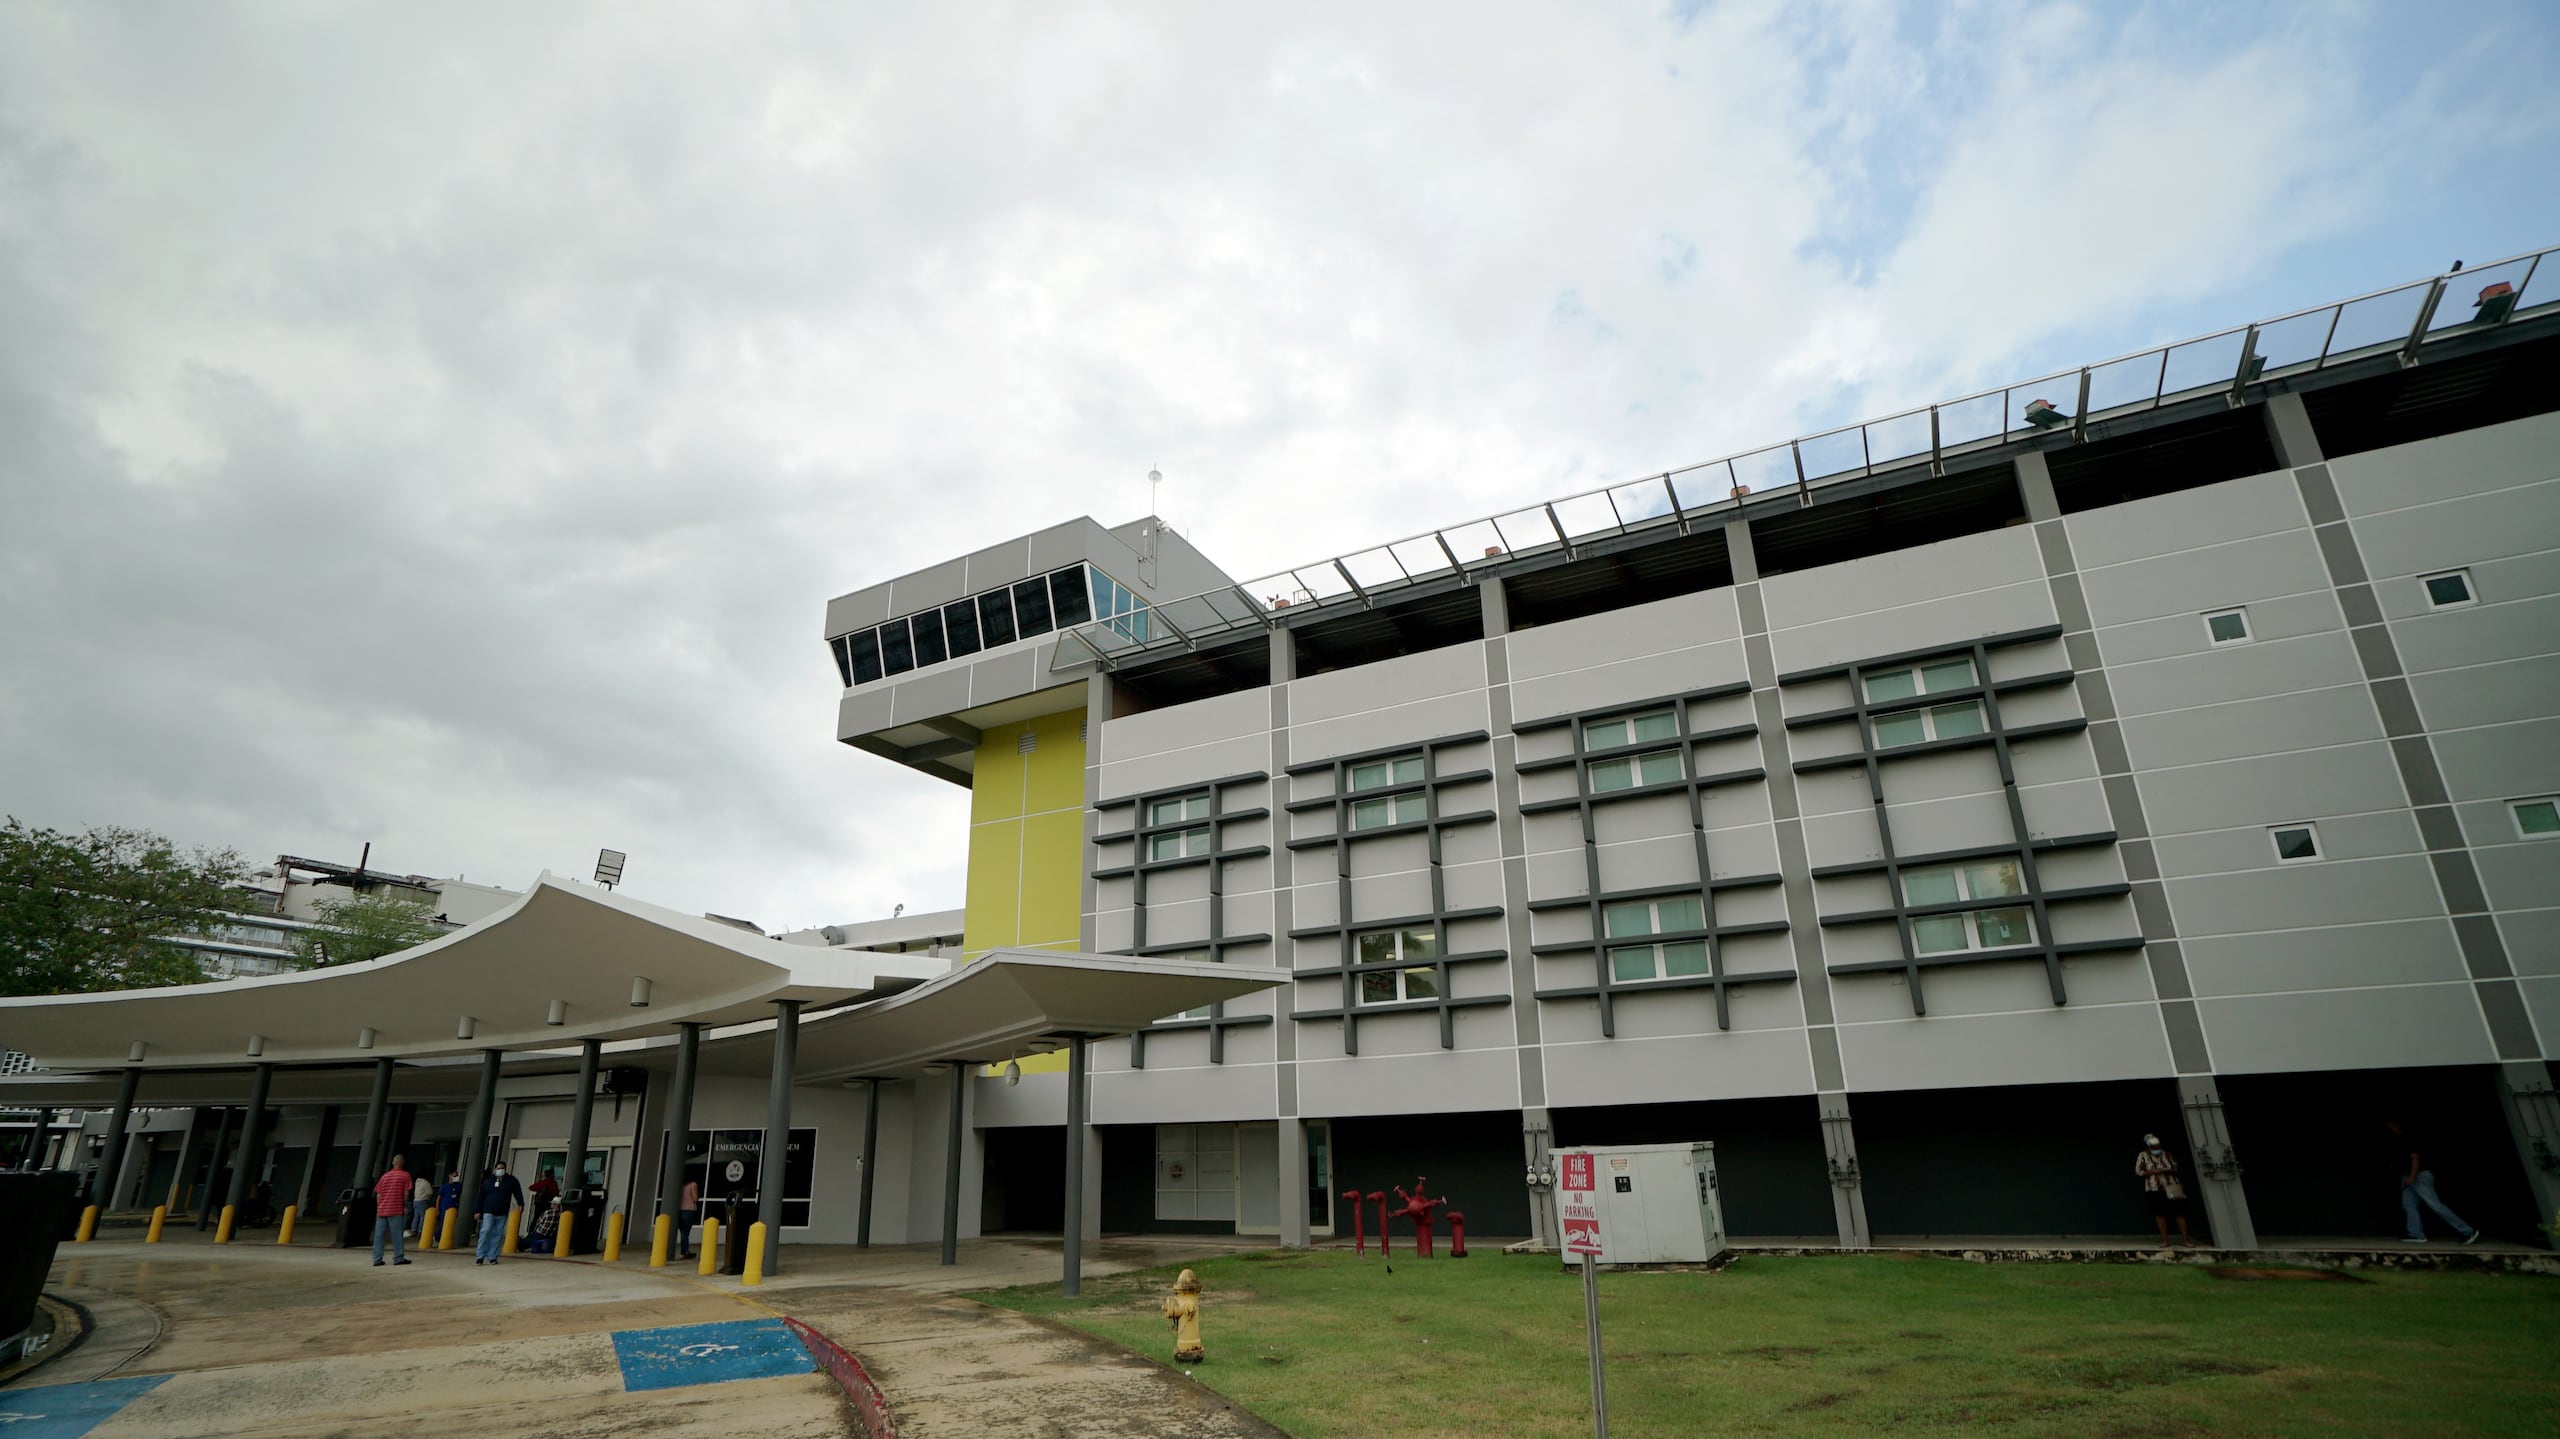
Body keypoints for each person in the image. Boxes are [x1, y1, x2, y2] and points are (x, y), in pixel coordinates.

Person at [2385, 1119, 2480, 1244]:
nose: (2389, 1128)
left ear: (2396, 1124)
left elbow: (2415, 1159)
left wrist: (2412, 1176)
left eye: (2390, 1125)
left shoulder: (2408, 1137)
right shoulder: (2398, 1140)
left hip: (2418, 1176)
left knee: (2435, 1205)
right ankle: (2416, 1234)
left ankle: (2468, 1231)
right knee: (2409, 1204)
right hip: (2409, 1177)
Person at [2133, 1134, 2192, 1245]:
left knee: (2180, 1212)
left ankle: (2185, 1240)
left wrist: (2165, 1169)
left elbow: (2175, 1167)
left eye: (2158, 1146)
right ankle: (2165, 1240)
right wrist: (2153, 1171)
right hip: (2154, 1188)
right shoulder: (2143, 1155)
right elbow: (2138, 1171)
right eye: (2154, 1146)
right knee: (2160, 1214)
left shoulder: (2167, 1154)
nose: (2156, 1148)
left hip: (2172, 1186)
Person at [473, 1162, 525, 1264]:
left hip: (502, 1211)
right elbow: (480, 1197)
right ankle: (480, 1255)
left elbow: (517, 1191)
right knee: (486, 1230)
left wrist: (521, 1203)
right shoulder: (488, 1182)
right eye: (498, 1168)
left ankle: (493, 1256)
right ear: (495, 1169)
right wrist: (477, 1211)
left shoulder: (511, 1181)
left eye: (502, 1168)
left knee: (498, 1234)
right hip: (488, 1210)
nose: (500, 1170)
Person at [371, 1155, 414, 1267]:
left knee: (379, 1235)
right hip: (396, 1210)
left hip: (382, 1210)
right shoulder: (405, 1175)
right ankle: (398, 1258)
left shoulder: (384, 1176)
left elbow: (378, 1194)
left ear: (393, 1163)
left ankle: (377, 1259)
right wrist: (405, 1206)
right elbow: (406, 1194)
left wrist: (379, 1207)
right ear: (403, 1162)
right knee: (397, 1235)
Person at [678, 1177, 701, 1260]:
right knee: (686, 1232)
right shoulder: (693, 1185)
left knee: (683, 1232)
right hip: (689, 1210)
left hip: (680, 1210)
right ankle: (685, 1251)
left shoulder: (680, 1185)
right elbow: (695, 1198)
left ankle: (685, 1250)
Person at [410, 1171, 434, 1237]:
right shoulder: (425, 1183)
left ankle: (413, 1230)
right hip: (423, 1201)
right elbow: (430, 1192)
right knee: (423, 1216)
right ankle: (420, 1231)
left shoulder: (417, 1182)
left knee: (416, 1216)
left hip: (416, 1200)